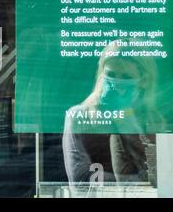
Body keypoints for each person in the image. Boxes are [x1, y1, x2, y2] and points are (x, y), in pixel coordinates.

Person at [63, 39, 160, 196]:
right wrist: (134, 182)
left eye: (126, 76)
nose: (116, 83)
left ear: (144, 81)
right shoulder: (79, 116)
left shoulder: (154, 121)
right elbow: (80, 181)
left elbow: (158, 179)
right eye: (111, 75)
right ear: (102, 74)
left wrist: (126, 123)